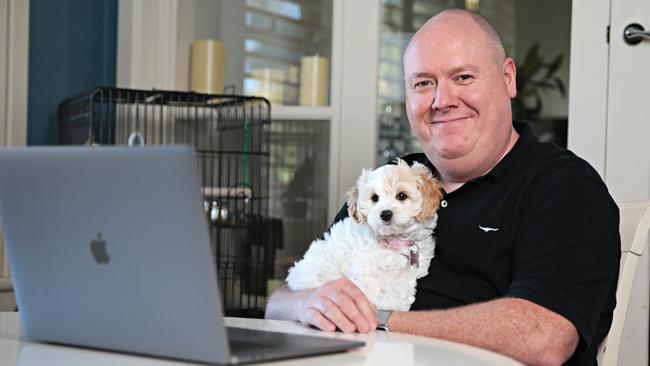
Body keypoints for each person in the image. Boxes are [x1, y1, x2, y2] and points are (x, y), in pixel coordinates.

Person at [265, 8, 620, 366]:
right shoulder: (391, 179)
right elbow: (280, 301)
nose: (442, 100)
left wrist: (379, 321)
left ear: (508, 78)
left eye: (463, 77)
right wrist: (304, 303)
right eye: (423, 83)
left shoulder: (565, 187)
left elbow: (543, 337)